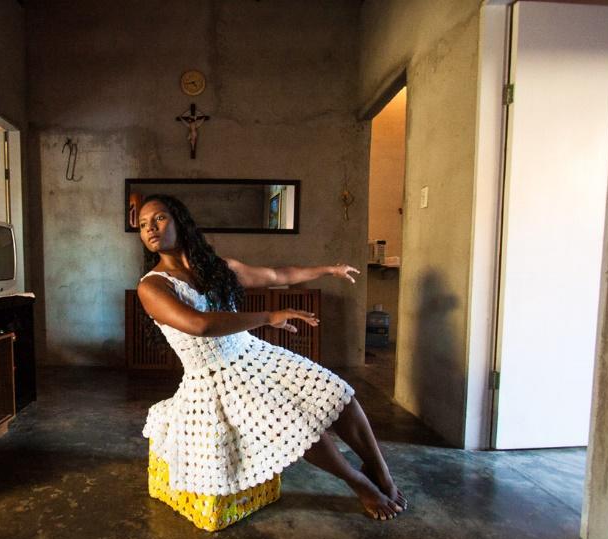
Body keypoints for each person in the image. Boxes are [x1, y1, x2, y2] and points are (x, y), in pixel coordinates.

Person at [137, 195, 408, 521]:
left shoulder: (216, 268)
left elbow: (277, 276)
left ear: (179, 221)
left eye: (159, 218)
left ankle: (380, 472)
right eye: (143, 224)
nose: (150, 228)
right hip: (214, 378)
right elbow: (200, 325)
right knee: (294, 425)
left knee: (338, 394)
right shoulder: (152, 286)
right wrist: (269, 316)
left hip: (252, 354)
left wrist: (329, 269)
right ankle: (359, 483)